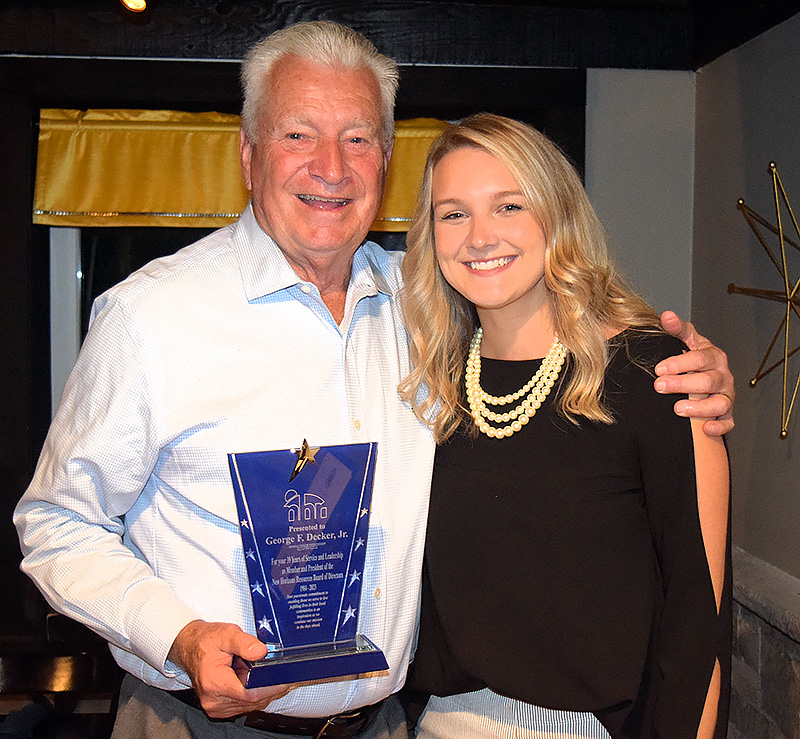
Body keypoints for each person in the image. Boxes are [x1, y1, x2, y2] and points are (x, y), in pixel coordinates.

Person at [14, 21, 732, 739]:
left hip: (387, 724)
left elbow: (550, 327)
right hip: (201, 724)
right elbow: (55, 521)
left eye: (357, 138)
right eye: (299, 134)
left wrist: (679, 363)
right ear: (248, 153)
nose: (331, 166)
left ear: (384, 161)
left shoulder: (423, 311)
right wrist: (178, 635)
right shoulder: (152, 317)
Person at [398, 113, 730, 739]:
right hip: (450, 721)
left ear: (557, 217)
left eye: (508, 206)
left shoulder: (657, 376)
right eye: (453, 213)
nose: (478, 237)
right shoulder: (429, 385)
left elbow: (699, 615)